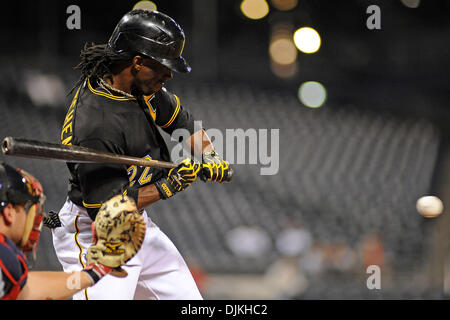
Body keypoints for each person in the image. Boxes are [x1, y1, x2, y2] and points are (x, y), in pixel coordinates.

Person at [52, 9, 230, 300]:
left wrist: (210, 155)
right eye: (162, 66)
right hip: (96, 230)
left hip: (136, 222)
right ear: (137, 62)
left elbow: (181, 122)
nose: (169, 74)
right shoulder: (97, 123)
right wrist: (168, 186)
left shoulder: (138, 86)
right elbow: (107, 208)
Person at [0, 163, 120, 300]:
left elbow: (27, 289)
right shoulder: (3, 256)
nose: (27, 217)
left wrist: (92, 274)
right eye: (23, 208)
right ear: (9, 213)